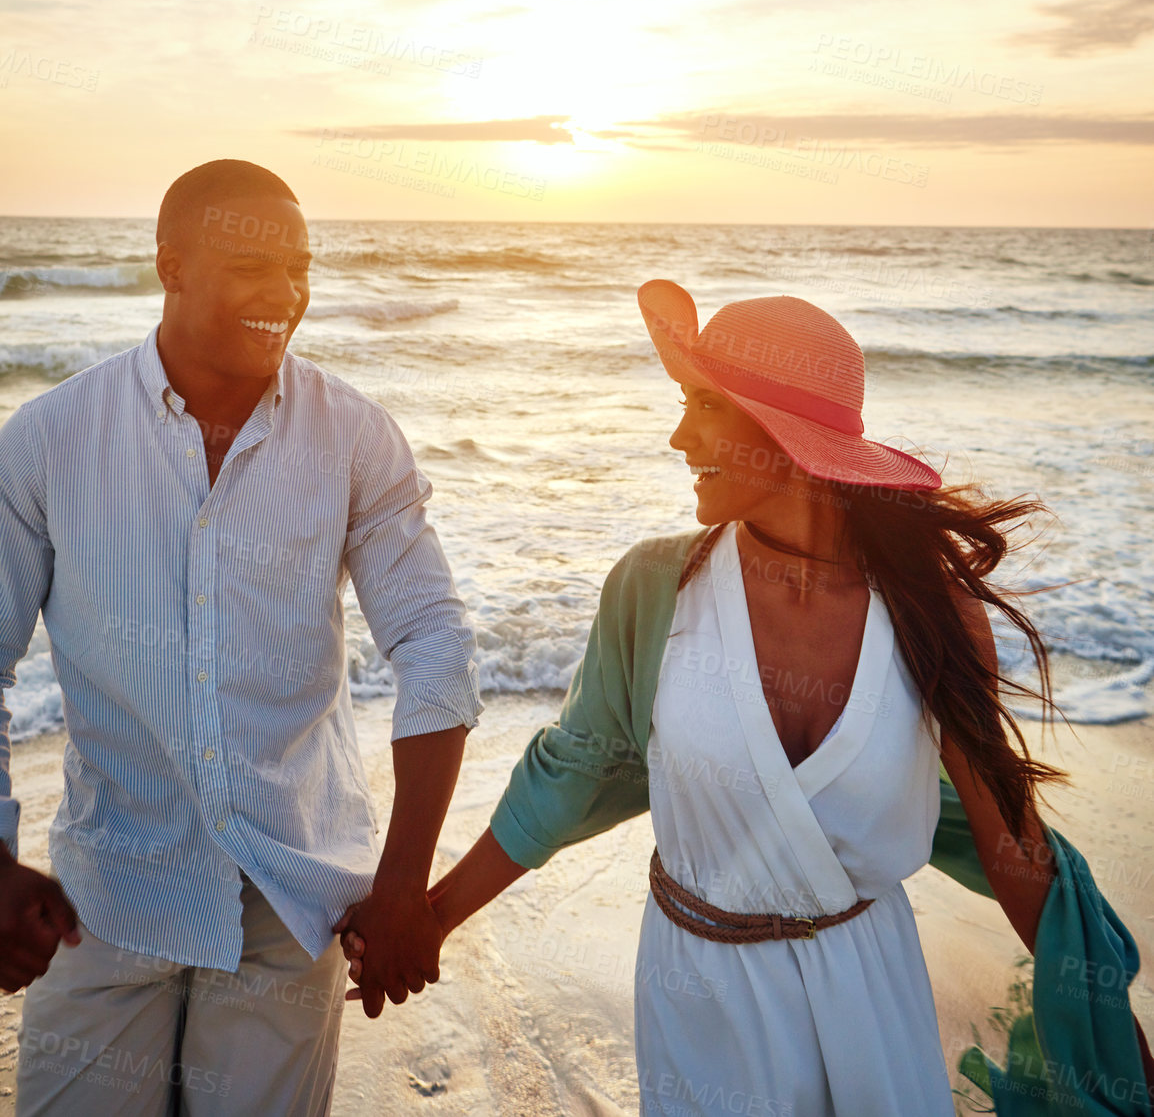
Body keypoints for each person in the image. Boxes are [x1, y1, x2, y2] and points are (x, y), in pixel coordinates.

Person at [342, 278, 1116, 1115]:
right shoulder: (656, 588)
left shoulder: (931, 610)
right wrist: (429, 918)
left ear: (783, 435)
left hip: (871, 990)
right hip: (698, 996)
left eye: (705, 405)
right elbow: (571, 775)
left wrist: (1115, 1042)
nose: (679, 436)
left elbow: (1012, 842)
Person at [0, 159, 481, 1115]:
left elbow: (431, 640)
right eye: (253, 265)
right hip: (110, 891)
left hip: (293, 895)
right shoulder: (49, 440)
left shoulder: (354, 438)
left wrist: (402, 883)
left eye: (300, 268)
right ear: (169, 266)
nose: (285, 295)